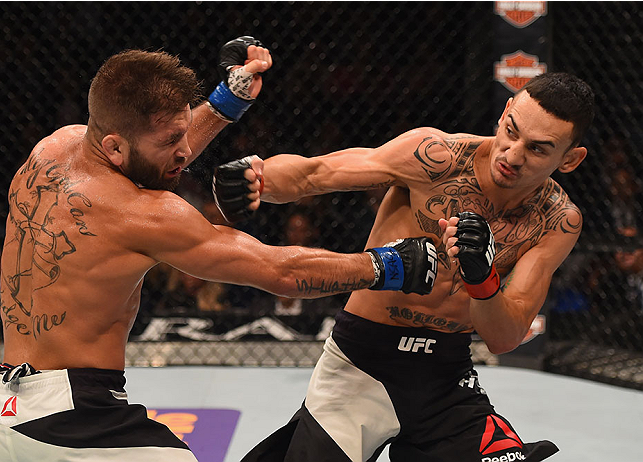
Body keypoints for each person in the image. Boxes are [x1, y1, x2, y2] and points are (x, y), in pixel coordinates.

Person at [0, 40, 439, 462]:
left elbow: (148, 158)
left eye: (183, 134)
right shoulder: (146, 214)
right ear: (114, 147)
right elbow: (276, 271)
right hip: (68, 419)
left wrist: (227, 100)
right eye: (170, 143)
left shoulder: (55, 148)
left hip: (3, 410)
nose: (183, 152)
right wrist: (389, 264)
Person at [213, 72, 595, 462]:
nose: (513, 155)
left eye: (537, 149)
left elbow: (505, 337)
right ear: (505, 112)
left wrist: (481, 278)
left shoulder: (557, 220)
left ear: (570, 159)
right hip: (361, 362)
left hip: (447, 379)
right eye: (511, 132)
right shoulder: (435, 157)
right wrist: (256, 180)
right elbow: (316, 173)